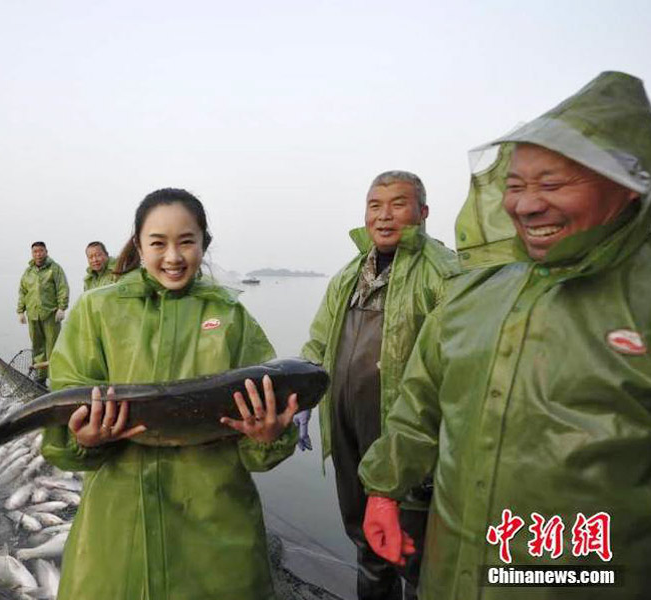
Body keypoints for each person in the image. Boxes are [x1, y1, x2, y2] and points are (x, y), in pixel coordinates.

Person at [359, 72, 651, 600]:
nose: (526, 205)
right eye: (514, 186)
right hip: (451, 576)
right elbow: (419, 406)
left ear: (626, 187)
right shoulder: (476, 293)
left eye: (553, 184)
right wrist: (383, 490)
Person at [41, 188, 300, 600]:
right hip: (119, 527)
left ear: (204, 244)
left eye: (187, 242)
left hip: (216, 528)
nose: (173, 257)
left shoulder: (231, 317)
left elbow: (260, 447)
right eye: (158, 243)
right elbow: (63, 432)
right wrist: (83, 440)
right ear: (139, 245)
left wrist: (269, 437)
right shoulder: (96, 310)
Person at [300, 171, 458, 600]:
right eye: (375, 205)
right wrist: (300, 399)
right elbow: (317, 344)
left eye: (398, 204)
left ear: (423, 213)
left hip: (409, 441)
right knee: (365, 541)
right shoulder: (349, 275)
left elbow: (459, 367)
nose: (384, 216)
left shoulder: (445, 274)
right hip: (349, 432)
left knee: (415, 551)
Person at [16, 241, 69, 383]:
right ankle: (40, 376)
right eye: (35, 252)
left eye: (41, 251)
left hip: (51, 314)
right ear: (32, 254)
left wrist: (62, 308)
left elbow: (62, 288)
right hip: (33, 314)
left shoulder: (55, 269)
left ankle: (56, 377)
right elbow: (23, 292)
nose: (38, 254)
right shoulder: (28, 272)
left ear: (46, 252)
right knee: (37, 346)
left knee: (54, 346)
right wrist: (20, 311)